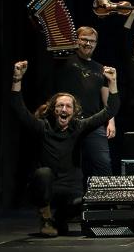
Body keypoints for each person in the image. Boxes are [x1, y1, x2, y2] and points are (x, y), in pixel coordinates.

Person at [11, 60, 120, 237]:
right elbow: (18, 110)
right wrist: (17, 79)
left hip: (71, 190)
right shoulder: (42, 127)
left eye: (68, 106)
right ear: (53, 109)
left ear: (74, 111)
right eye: (60, 106)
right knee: (43, 173)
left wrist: (112, 83)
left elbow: (110, 110)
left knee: (86, 201)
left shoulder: (78, 127)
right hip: (48, 188)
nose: (64, 109)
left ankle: (59, 219)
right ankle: (46, 217)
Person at [50, 24, 114, 177]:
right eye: (84, 39)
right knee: (66, 164)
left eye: (92, 41)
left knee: (103, 164)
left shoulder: (100, 69)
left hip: (93, 123)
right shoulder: (64, 61)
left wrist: (111, 121)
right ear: (76, 41)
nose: (88, 43)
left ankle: (104, 200)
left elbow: (107, 99)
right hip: (67, 122)